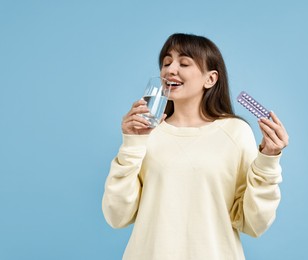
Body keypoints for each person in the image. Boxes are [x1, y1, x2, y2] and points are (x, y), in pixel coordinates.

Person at [102, 33, 289, 260]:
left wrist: (268, 160)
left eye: (184, 63)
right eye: (166, 62)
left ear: (210, 79)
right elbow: (117, 216)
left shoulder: (235, 133)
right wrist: (131, 143)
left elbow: (253, 223)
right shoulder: (145, 133)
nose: (170, 70)